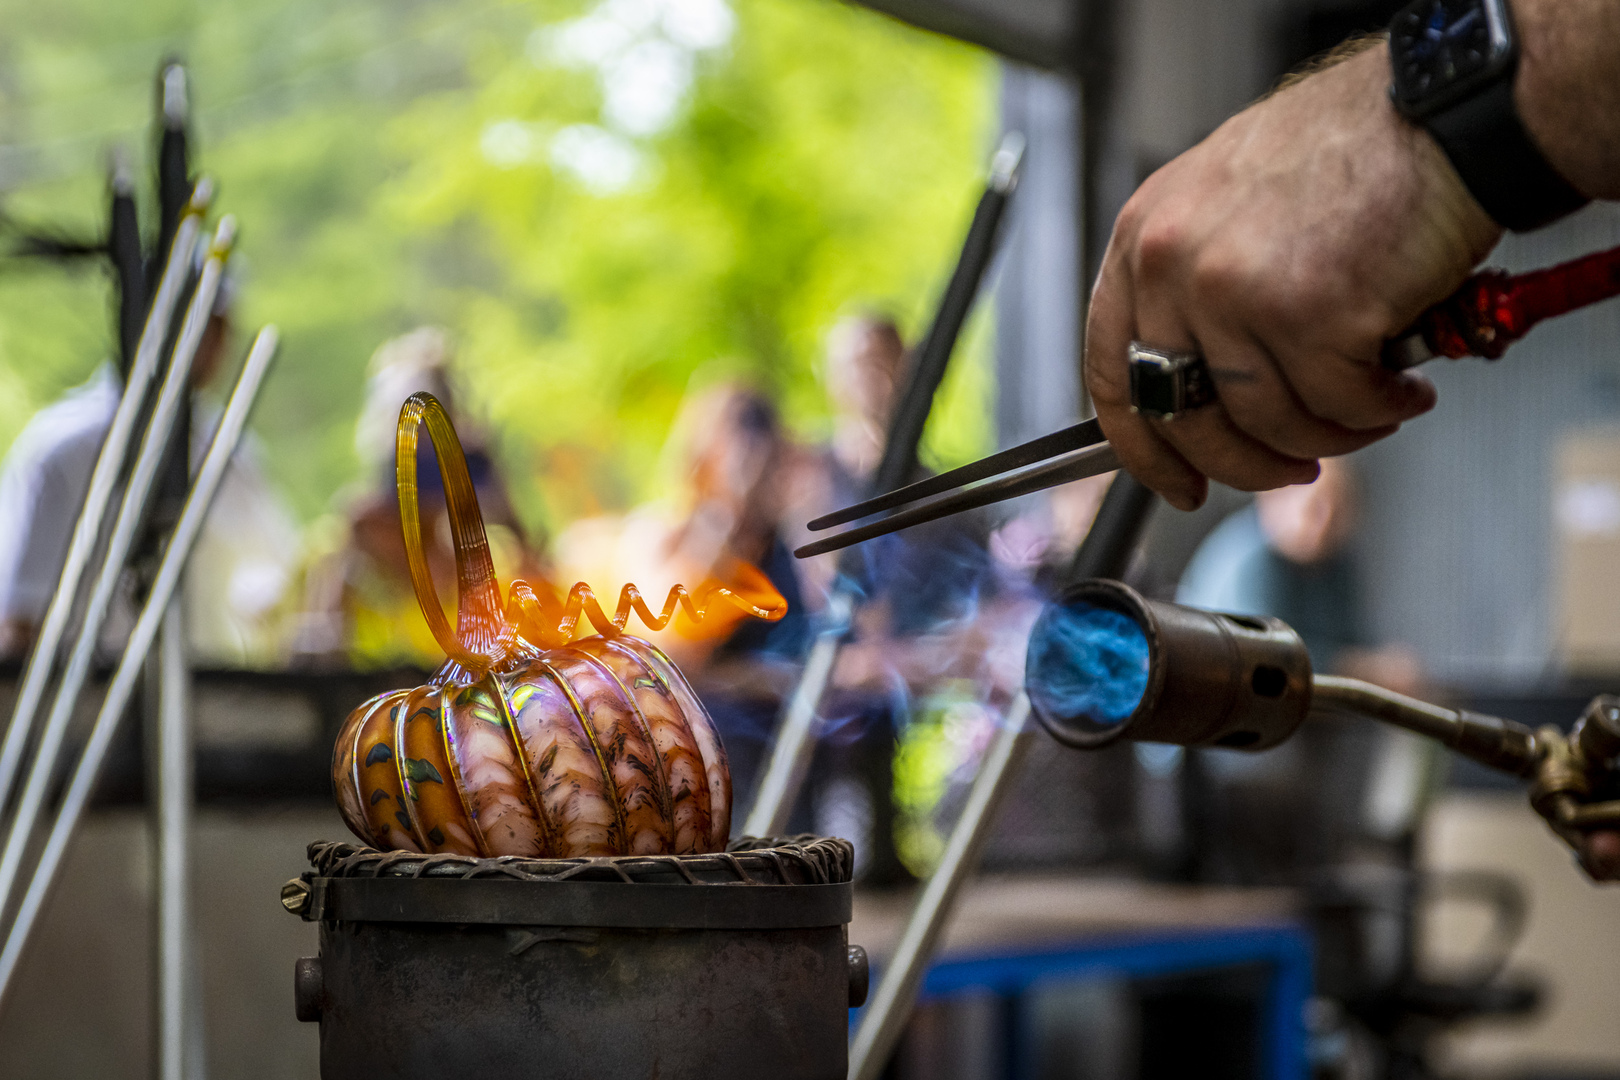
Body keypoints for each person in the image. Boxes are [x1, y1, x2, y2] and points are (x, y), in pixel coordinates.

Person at [1083, 0, 1620, 876]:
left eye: (1339, 497)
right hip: (1216, 807)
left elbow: (1326, 661)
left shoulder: (1324, 573)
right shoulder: (1253, 569)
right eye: (1316, 495)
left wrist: (1437, 107)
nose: (1330, 514)